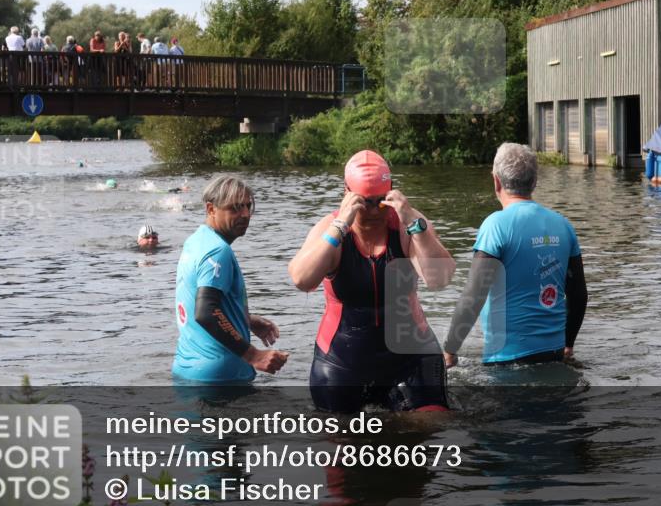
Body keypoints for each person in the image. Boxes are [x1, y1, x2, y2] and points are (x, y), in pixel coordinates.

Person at [288, 150, 455, 413]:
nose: (374, 210)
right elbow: (301, 279)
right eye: (365, 202)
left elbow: (439, 279)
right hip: (343, 359)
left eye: (380, 201)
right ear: (347, 193)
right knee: (342, 444)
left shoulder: (408, 224)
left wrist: (416, 227)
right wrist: (340, 227)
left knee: (431, 428)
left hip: (409, 356)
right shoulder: (330, 229)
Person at [442, 143, 588, 368]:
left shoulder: (495, 226)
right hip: (554, 355)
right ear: (535, 182)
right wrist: (567, 345)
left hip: (507, 360)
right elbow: (578, 295)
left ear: (496, 181)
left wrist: (450, 348)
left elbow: (473, 296)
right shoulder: (563, 225)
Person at [174, 175, 288, 382]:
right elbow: (206, 312)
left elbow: (197, 304)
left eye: (247, 206)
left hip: (188, 370)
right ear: (211, 209)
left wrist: (245, 320)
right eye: (235, 208)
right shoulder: (218, 251)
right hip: (222, 377)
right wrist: (253, 355)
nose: (245, 214)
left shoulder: (197, 241)